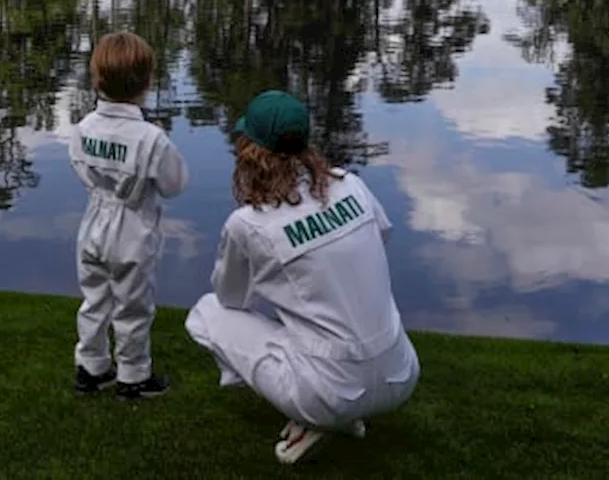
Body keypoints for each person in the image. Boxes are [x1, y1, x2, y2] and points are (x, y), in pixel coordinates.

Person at [185, 90, 419, 465]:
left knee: (206, 313)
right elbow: (382, 235)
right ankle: (335, 410)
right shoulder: (350, 184)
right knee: (320, 312)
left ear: (249, 150)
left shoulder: (248, 223)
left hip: (329, 390)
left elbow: (232, 300)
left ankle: (315, 416)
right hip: (401, 372)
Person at [70, 31, 189, 399]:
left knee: (94, 299)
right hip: (132, 228)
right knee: (133, 305)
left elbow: (79, 165)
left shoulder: (83, 127)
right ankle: (133, 374)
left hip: (93, 222)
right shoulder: (150, 138)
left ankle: (92, 368)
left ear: (97, 78)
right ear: (147, 82)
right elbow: (174, 184)